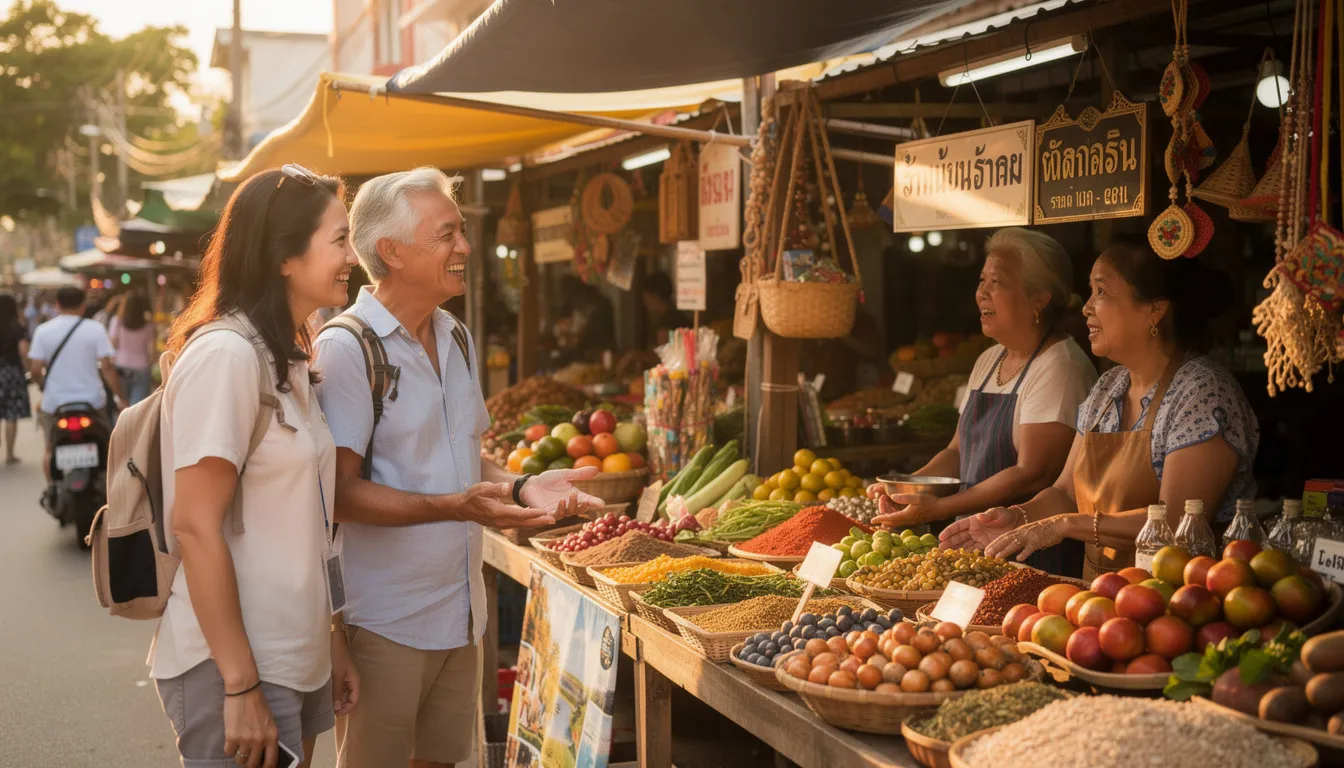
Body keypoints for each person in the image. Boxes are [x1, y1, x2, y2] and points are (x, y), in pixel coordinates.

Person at [314, 167, 601, 768]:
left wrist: (521, 485)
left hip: (460, 610)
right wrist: (453, 507)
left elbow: (467, 459)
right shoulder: (348, 348)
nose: (465, 248)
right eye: (447, 234)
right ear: (391, 252)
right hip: (387, 619)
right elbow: (336, 495)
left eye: (461, 232)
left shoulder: (456, 336)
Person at [148, 164, 361, 768]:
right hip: (237, 667)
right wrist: (239, 684)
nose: (352, 256)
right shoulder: (226, 357)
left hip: (295, 655)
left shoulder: (289, 356)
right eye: (339, 240)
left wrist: (332, 640)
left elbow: (311, 521)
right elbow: (194, 525)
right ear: (283, 258)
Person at [940, 240, 1259, 579]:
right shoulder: (1108, 388)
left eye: (1102, 292)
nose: (1087, 308)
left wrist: (1063, 525)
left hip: (1183, 598)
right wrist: (1017, 517)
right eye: (1090, 292)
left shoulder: (1201, 392)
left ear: (1155, 310)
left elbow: (1178, 521)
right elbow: (1065, 492)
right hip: (1104, 597)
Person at [869, 229, 1098, 574]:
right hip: (974, 545)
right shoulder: (989, 359)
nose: (981, 293)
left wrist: (937, 509)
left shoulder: (1060, 367)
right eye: (982, 280)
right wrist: (905, 488)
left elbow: (1031, 474)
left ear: (1039, 299)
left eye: (997, 282)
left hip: (1028, 554)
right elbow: (956, 452)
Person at [26, 286, 126, 490]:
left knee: (49, 449)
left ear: (57, 305)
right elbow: (107, 367)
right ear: (83, 306)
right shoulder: (95, 329)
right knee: (107, 446)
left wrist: (43, 385)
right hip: (92, 402)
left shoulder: (43, 331)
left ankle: (53, 489)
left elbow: (35, 369)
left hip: (55, 404)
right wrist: (121, 398)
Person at [109, 292, 157, 405]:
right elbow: (152, 350)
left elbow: (112, 345)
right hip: (141, 366)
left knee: (122, 403)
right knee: (138, 406)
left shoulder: (117, 322)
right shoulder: (149, 325)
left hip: (121, 365)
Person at [0, 293, 32, 465]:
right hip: (11, 372)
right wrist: (29, 371)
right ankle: (9, 454)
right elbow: (23, 351)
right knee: (11, 415)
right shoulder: (17, 327)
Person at [640, 272, 690, 348]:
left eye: (646, 298)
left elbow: (661, 354)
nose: (645, 303)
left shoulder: (666, 323)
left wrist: (635, 356)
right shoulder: (678, 316)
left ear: (655, 297)